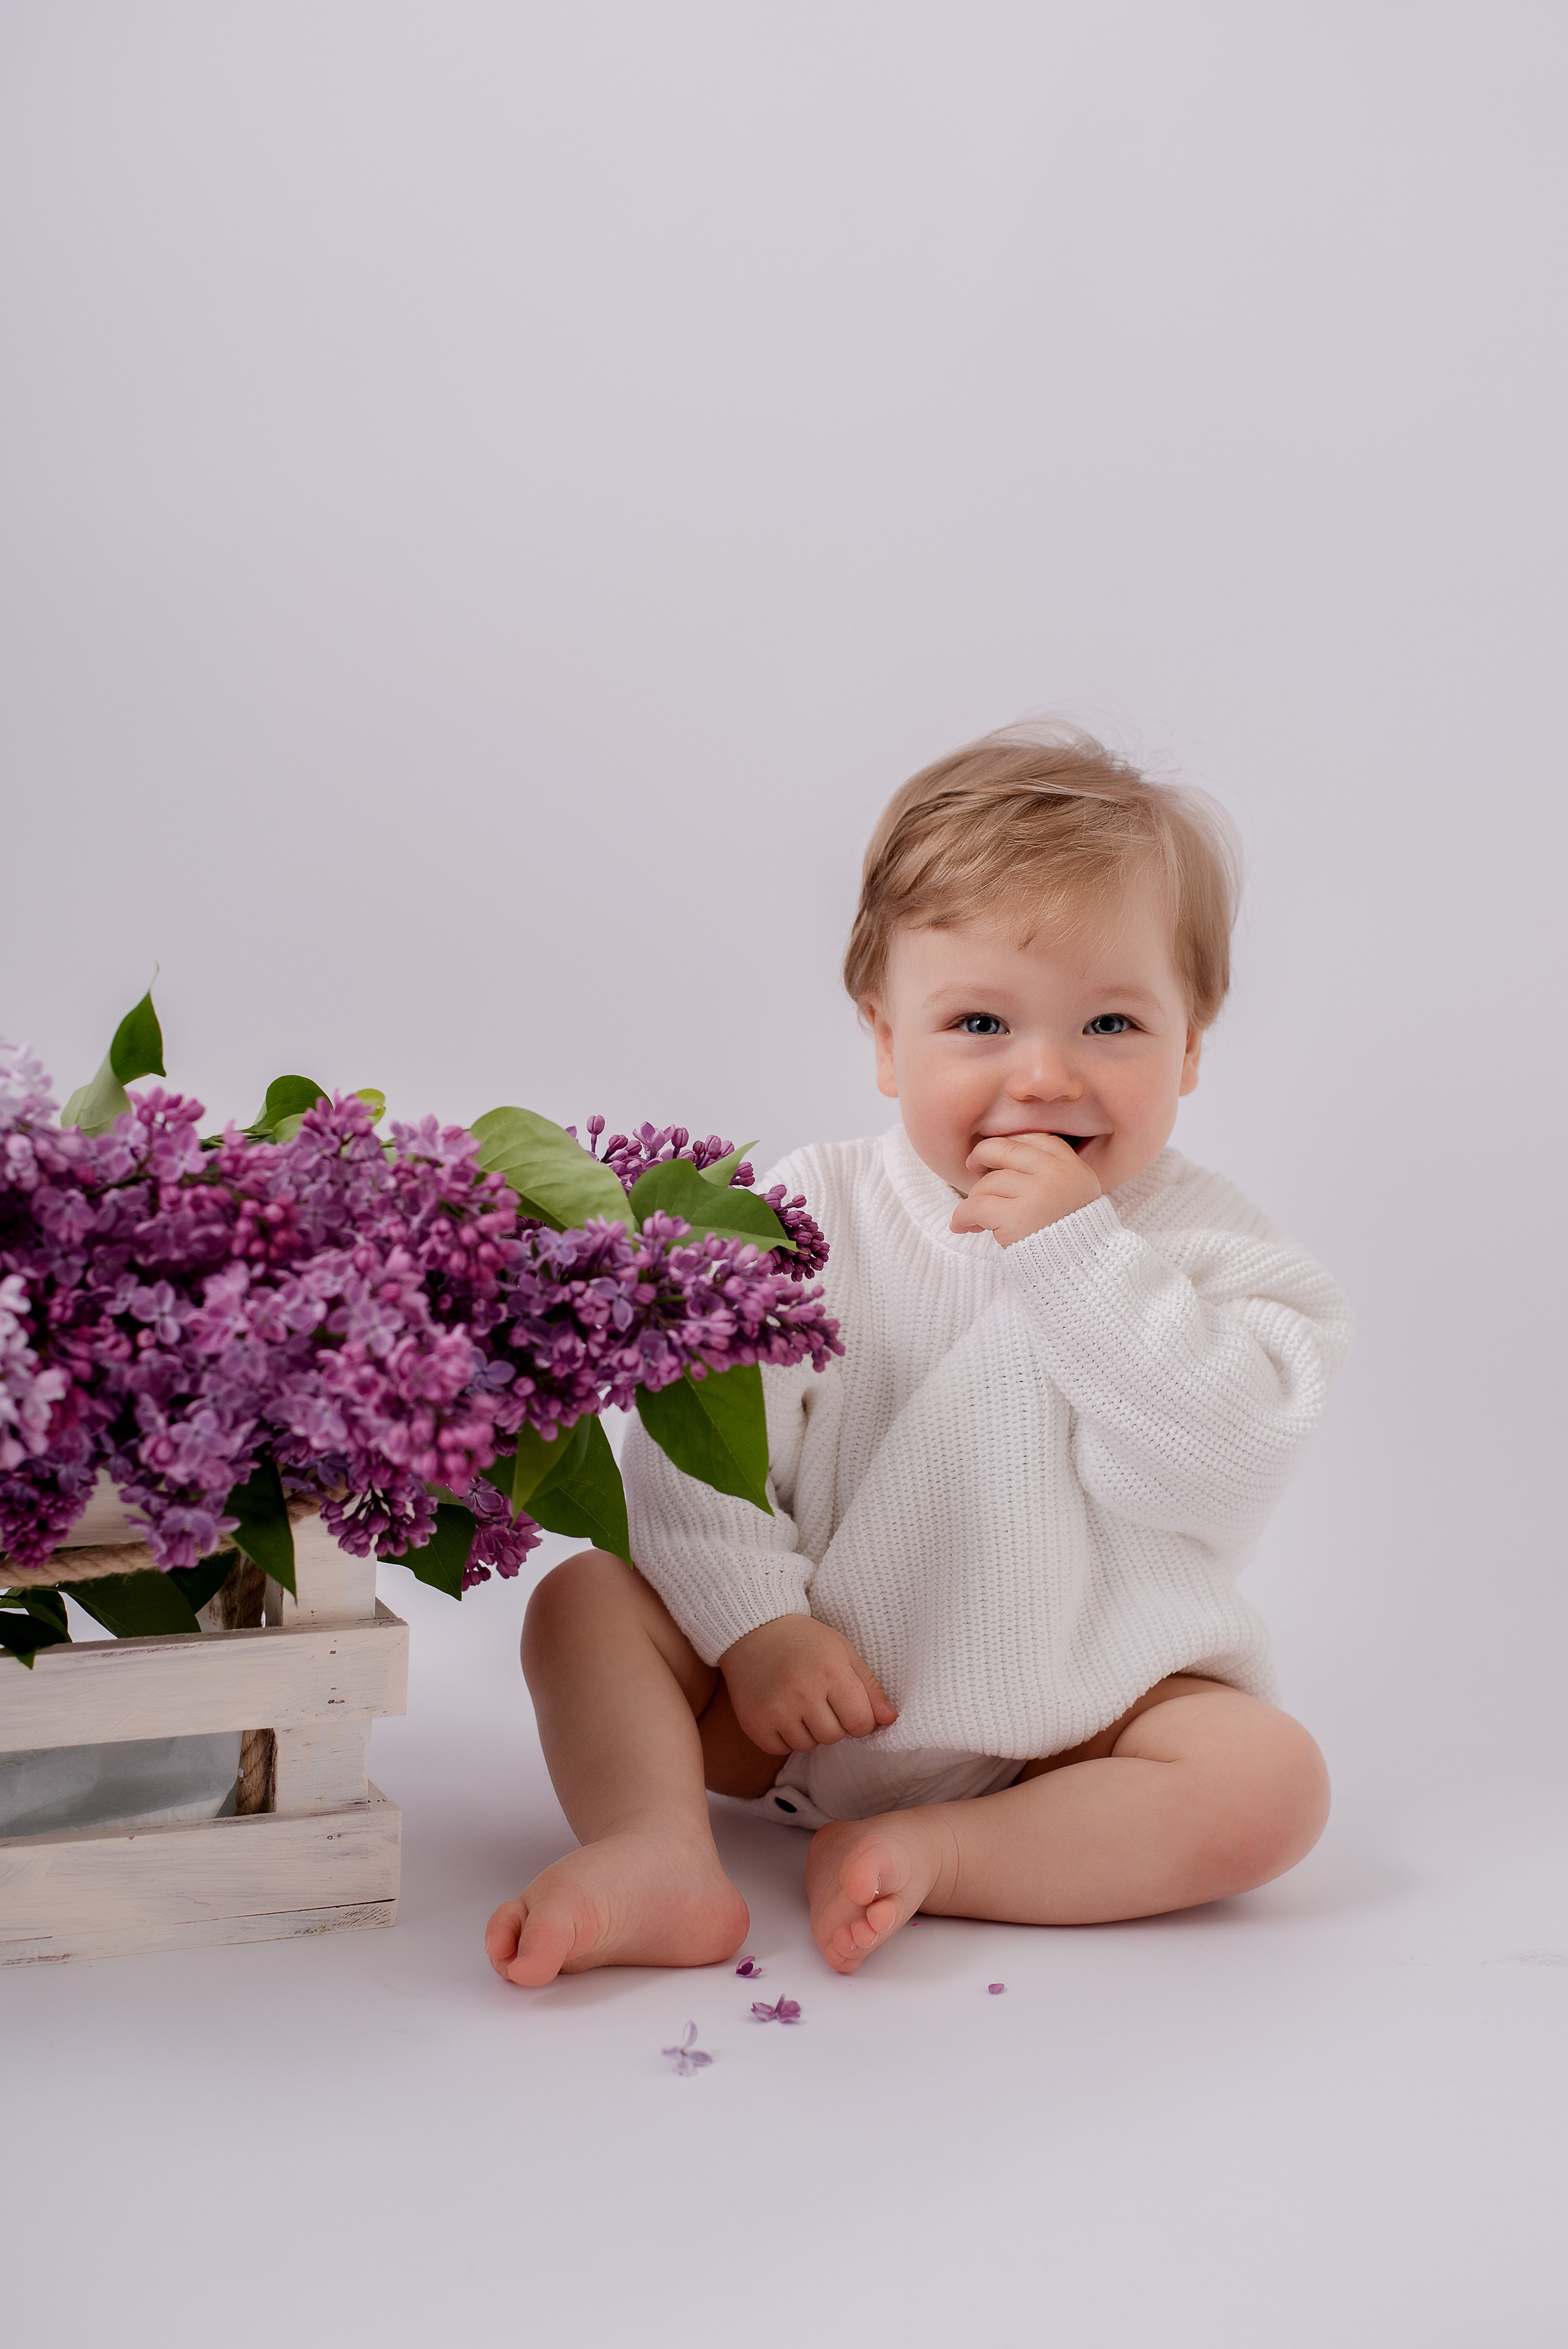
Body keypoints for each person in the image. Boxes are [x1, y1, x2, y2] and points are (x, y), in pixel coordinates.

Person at [486, 726, 1352, 1984]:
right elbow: (691, 1457)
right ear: (887, 1039)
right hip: (795, 1700)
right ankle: (656, 1845)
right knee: (583, 1603)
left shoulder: (1224, 1255)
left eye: (1111, 1020)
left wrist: (1078, 1259)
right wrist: (752, 1629)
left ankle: (954, 1850)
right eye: (979, 1021)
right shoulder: (809, 1212)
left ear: (1192, 1046)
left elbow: (1216, 1468)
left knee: (1270, 1785)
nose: (1044, 1073)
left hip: (1079, 1717)